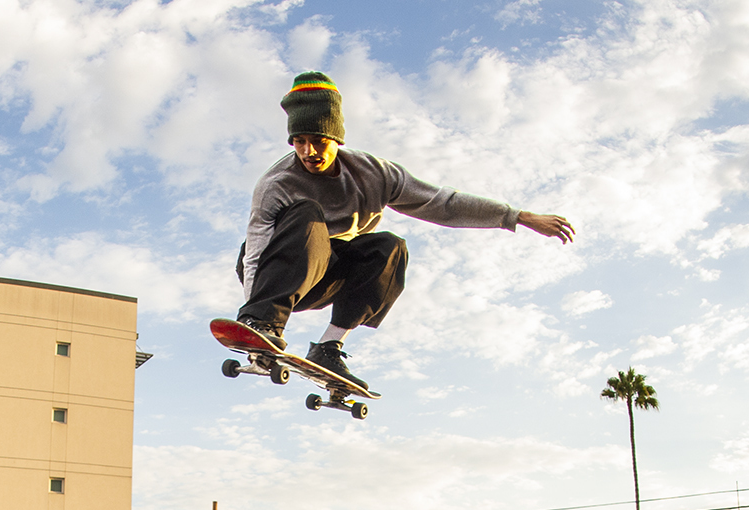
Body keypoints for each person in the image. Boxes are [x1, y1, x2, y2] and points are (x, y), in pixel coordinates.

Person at [232, 71, 572, 393]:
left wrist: (518, 216)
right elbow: (257, 250)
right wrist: (252, 320)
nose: (308, 152)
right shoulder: (276, 184)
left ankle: (328, 346)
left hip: (326, 274)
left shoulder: (374, 174)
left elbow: (444, 203)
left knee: (389, 247)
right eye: (299, 142)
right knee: (307, 214)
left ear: (335, 137)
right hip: (272, 273)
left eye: (318, 141)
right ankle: (265, 322)